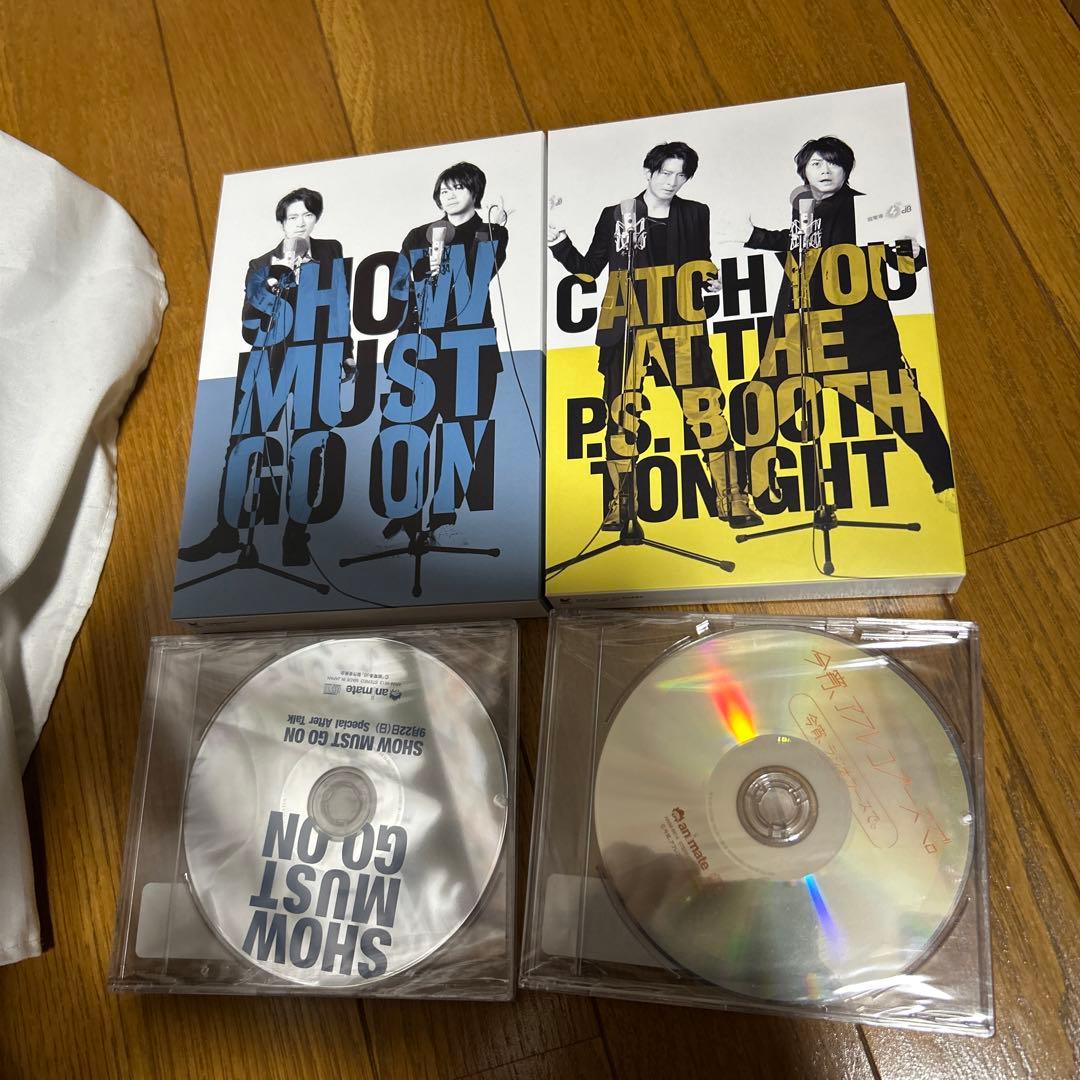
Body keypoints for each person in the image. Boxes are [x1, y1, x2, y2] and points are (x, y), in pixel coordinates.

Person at [735, 137, 956, 510]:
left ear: (846, 169)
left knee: (909, 413)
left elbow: (900, 258)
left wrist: (914, 254)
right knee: (758, 407)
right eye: (816, 164)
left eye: (833, 163)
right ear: (804, 171)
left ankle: (948, 484)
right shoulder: (802, 211)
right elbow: (795, 247)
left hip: (859, 340)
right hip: (800, 339)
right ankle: (758, 487)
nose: (825, 170)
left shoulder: (865, 209)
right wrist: (754, 236)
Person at [548, 142, 760, 530]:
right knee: (621, 413)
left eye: (681, 175)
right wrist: (558, 242)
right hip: (627, 325)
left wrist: (710, 282)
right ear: (649, 173)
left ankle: (733, 499)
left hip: (680, 323)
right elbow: (590, 269)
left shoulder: (695, 213)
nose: (672, 181)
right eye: (665, 172)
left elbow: (700, 261)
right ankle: (621, 505)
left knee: (706, 409)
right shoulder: (615, 214)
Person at [178, 187, 348, 567]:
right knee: (243, 443)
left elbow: (340, 304)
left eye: (307, 215)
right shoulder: (260, 264)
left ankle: (295, 536)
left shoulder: (330, 251)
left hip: (316, 360)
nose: (300, 223)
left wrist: (345, 353)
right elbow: (247, 326)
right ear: (281, 222)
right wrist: (275, 292)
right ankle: (226, 532)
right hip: (270, 361)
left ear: (316, 219)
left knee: (309, 444)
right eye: (293, 217)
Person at [371, 162, 508, 540]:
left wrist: (456, 256)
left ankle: (443, 518)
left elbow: (481, 275)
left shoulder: (490, 232)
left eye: (457, 188)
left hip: (470, 351)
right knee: (402, 431)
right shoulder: (418, 235)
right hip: (419, 350)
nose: (448, 195)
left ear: (475, 192)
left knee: (461, 434)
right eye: (444, 189)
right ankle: (405, 510)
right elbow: (400, 289)